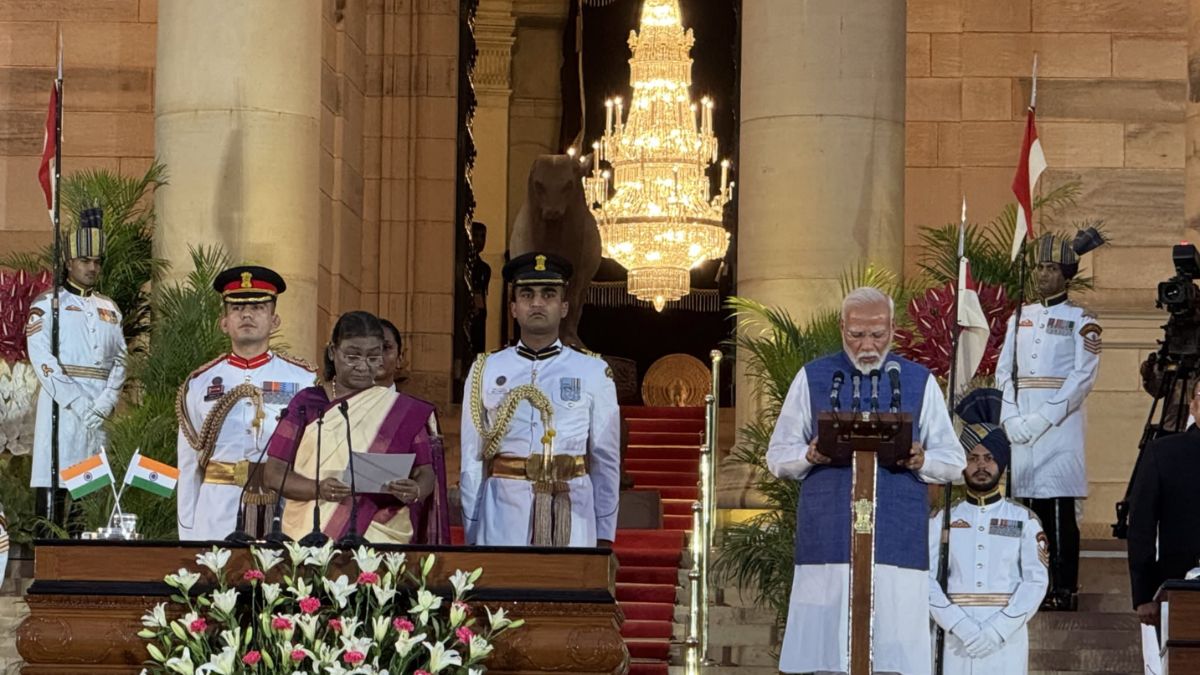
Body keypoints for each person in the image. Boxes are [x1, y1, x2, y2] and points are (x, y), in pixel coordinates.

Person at [766, 286, 965, 675]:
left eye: (877, 334)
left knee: (894, 645)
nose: (867, 345)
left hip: (896, 538)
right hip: (830, 538)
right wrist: (807, 455)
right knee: (825, 646)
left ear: (893, 327)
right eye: (856, 335)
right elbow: (777, 456)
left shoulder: (918, 381)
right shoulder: (814, 377)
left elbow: (954, 461)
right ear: (842, 327)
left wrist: (923, 458)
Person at [459, 252, 620, 548]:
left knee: (568, 592)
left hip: (572, 504)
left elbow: (605, 459)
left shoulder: (593, 370)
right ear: (513, 308)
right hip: (503, 508)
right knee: (500, 591)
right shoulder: (486, 368)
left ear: (563, 307)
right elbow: (472, 457)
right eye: (526, 294)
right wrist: (472, 526)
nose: (536, 303)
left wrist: (604, 533)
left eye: (548, 294)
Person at [263, 311, 449, 544]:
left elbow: (426, 472)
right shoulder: (307, 403)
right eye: (352, 356)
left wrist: (415, 489)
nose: (363, 366)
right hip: (312, 532)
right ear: (333, 352)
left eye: (373, 357)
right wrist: (318, 489)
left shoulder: (400, 409)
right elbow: (273, 474)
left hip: (382, 535)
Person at [996, 229, 1104, 610]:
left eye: (1051, 268)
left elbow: (1082, 378)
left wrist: (1042, 419)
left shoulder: (1082, 320)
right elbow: (1003, 371)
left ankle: (1062, 587)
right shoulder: (1019, 317)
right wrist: (1010, 417)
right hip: (1020, 423)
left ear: (1066, 273)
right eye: (1039, 267)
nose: (1042, 274)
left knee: (1058, 509)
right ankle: (1028, 583)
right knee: (1025, 506)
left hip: (1059, 429)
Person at [175, 266, 317, 540]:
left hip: (284, 505)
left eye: (258, 307)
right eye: (237, 309)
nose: (247, 315)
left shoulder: (303, 381)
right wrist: (189, 531)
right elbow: (189, 463)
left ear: (275, 320)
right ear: (224, 321)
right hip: (218, 508)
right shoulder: (200, 383)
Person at [929, 388, 1049, 674]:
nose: (981, 465)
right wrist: (958, 624)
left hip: (1006, 637)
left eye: (989, 458)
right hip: (954, 637)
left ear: (1001, 463)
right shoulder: (942, 518)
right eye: (973, 458)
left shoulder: (1024, 520)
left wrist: (998, 629)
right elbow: (926, 578)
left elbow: (1035, 581)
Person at [26, 208, 127, 521]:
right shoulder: (48, 304)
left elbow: (121, 359)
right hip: (62, 406)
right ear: (69, 263)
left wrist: (106, 401)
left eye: (97, 262)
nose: (92, 267)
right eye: (85, 261)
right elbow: (42, 359)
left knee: (90, 489)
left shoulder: (109, 308)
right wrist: (78, 402)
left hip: (100, 407)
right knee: (55, 481)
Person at [1127, 386, 1200, 629]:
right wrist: (1144, 594)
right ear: (1193, 405)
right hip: (1181, 586)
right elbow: (1141, 527)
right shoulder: (1163, 452)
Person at [469, 221, 492, 355]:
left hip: (480, 314)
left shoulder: (484, 268)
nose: (479, 240)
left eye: (482, 236)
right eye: (476, 236)